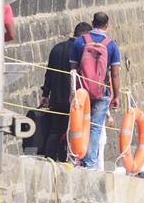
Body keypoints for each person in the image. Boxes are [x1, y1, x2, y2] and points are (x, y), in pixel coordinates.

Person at [69, 12, 121, 169]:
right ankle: (90, 163)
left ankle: (76, 158)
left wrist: (75, 92)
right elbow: (115, 74)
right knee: (95, 127)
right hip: (101, 93)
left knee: (77, 124)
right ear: (107, 25)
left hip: (82, 91)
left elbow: (72, 69)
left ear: (92, 23)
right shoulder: (111, 45)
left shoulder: (79, 42)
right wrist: (116, 96)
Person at [40, 22, 92, 161]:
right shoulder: (81, 50)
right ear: (85, 35)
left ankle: (49, 159)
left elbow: (49, 74)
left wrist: (45, 95)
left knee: (55, 131)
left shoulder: (56, 48)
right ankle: (66, 160)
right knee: (73, 131)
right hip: (74, 99)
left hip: (56, 98)